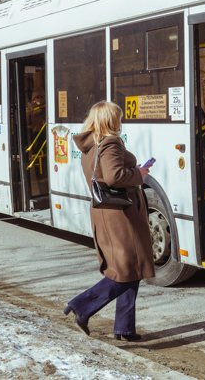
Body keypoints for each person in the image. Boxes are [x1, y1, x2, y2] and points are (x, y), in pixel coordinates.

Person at [64, 101, 154, 342]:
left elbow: (105, 175)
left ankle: (124, 328)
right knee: (127, 269)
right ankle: (82, 305)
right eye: (118, 117)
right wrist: (139, 174)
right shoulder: (110, 142)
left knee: (128, 268)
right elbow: (114, 177)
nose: (120, 121)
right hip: (120, 215)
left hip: (106, 212)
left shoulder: (91, 144)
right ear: (110, 120)